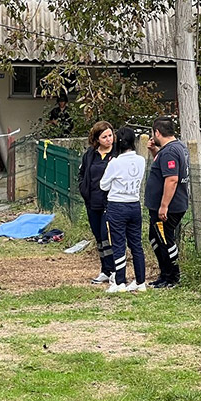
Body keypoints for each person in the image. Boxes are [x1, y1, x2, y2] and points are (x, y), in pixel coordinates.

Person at [99, 127, 147, 293]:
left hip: (117, 205)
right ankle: (141, 281)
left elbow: (103, 185)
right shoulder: (141, 160)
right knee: (136, 244)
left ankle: (120, 282)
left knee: (119, 243)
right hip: (134, 204)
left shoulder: (115, 163)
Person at [144, 116, 190, 289]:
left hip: (168, 208)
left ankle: (172, 277)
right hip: (167, 206)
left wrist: (164, 206)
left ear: (157, 132)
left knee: (165, 240)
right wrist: (155, 152)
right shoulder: (176, 147)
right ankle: (164, 274)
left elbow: (171, 179)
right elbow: (165, 167)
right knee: (155, 237)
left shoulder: (170, 151)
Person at [78, 121, 116, 285]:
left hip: (110, 203)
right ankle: (105, 270)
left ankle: (115, 269)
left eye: (110, 135)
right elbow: (82, 174)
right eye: (104, 137)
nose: (108, 139)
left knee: (107, 235)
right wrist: (83, 189)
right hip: (92, 202)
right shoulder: (90, 154)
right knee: (99, 237)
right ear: (97, 139)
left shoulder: (117, 154)